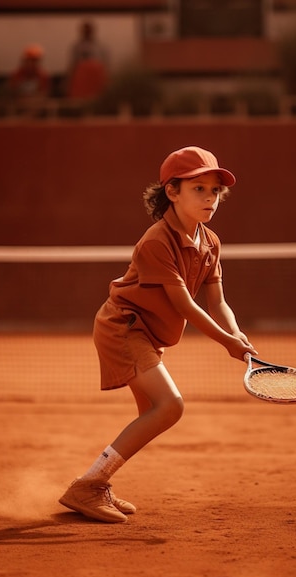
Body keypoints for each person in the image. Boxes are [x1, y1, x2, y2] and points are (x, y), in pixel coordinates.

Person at [59, 146, 257, 523]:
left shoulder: (210, 242)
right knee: (170, 406)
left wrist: (237, 334)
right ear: (172, 192)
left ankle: (96, 482)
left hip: (147, 335)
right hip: (124, 327)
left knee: (152, 412)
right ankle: (86, 486)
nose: (210, 198)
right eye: (199, 188)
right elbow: (185, 305)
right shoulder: (156, 241)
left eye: (215, 191)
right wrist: (226, 343)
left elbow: (217, 302)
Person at [65, 21, 108, 100]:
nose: (87, 33)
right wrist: (68, 84)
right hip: (81, 81)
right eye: (85, 31)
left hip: (96, 79)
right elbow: (72, 66)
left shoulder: (100, 47)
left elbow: (104, 67)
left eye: (89, 31)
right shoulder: (77, 48)